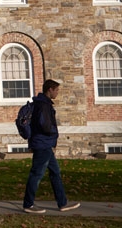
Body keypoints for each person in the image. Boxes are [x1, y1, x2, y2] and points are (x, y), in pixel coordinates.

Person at [22, 79, 81, 214]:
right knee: (36, 174)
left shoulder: (43, 104)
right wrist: (54, 132)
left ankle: (62, 203)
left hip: (45, 144)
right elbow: (44, 125)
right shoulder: (43, 105)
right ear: (50, 90)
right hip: (42, 144)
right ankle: (28, 204)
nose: (57, 93)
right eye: (56, 90)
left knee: (55, 172)